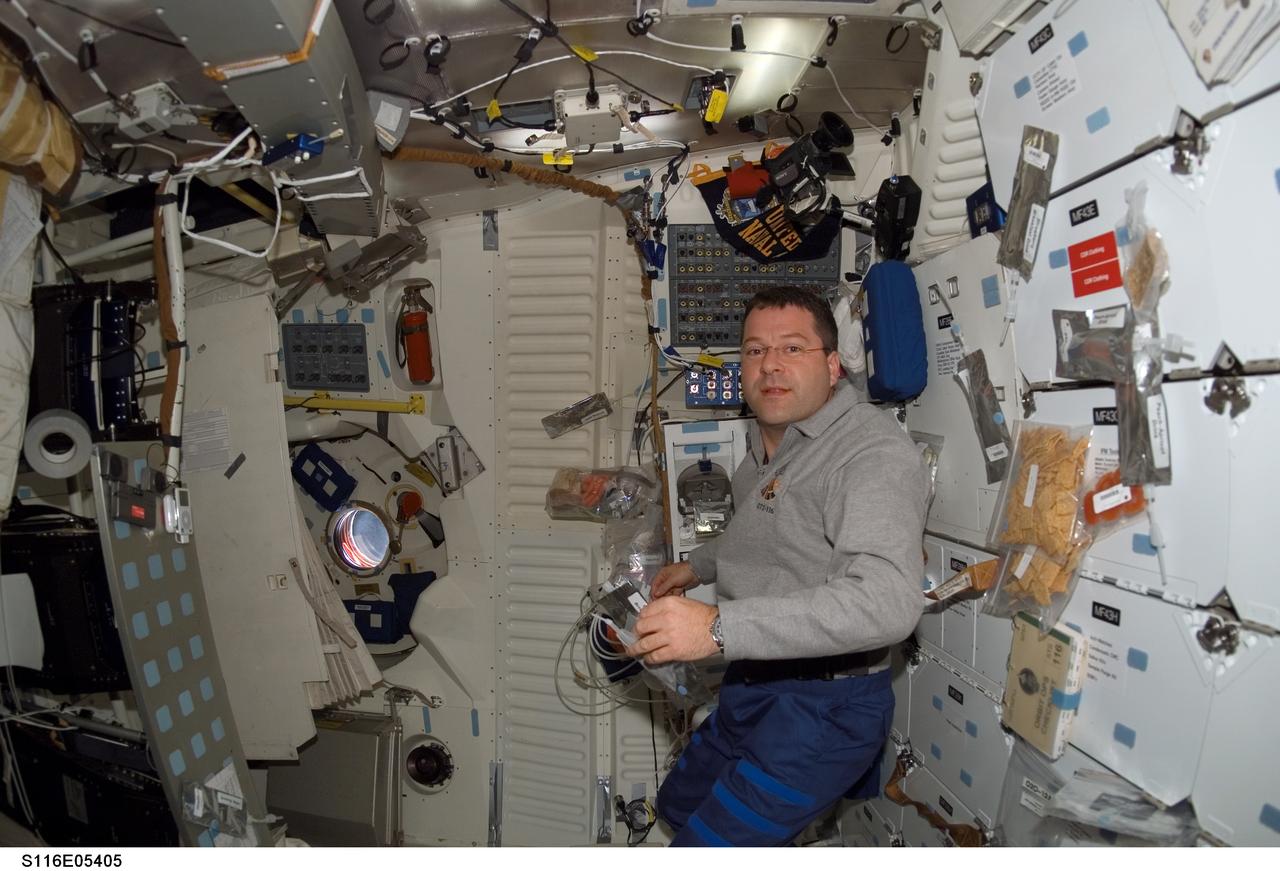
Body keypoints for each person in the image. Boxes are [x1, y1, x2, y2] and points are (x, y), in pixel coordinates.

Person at [625, 286, 928, 847]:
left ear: (833, 365)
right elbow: (759, 530)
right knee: (676, 805)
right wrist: (697, 567)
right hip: (758, 679)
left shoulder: (869, 453)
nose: (771, 366)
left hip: (826, 708)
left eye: (793, 348)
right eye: (755, 351)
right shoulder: (772, 449)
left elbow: (888, 603)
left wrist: (716, 628)